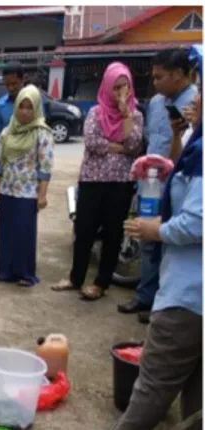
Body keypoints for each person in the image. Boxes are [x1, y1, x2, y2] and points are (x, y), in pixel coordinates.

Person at [114, 89, 202, 430]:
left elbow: (197, 220)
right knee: (196, 405)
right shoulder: (197, 143)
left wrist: (157, 230)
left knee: (149, 396)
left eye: (203, 92)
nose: (195, 101)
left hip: (189, 296)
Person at [118, 48, 199, 322]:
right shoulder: (155, 103)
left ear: (178, 74)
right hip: (151, 184)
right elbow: (150, 141)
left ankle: (164, 304)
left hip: (183, 190)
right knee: (149, 241)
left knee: (172, 243)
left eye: (159, 77)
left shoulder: (195, 106)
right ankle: (146, 296)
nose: (155, 82)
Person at [51, 62, 144, 300]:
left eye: (125, 88)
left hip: (121, 183)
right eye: (116, 88)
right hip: (92, 180)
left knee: (113, 232)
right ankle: (75, 278)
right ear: (107, 87)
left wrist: (125, 115)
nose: (121, 93)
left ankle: (101, 283)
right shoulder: (95, 113)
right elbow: (92, 142)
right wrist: (118, 148)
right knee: (84, 229)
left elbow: (133, 146)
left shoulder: (135, 116)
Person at [0, 85, 54, 286]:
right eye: (21, 107)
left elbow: (45, 167)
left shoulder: (43, 133)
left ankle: (26, 274)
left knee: (24, 233)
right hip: (7, 190)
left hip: (28, 193)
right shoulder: (8, 132)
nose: (24, 112)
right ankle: (6, 271)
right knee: (6, 232)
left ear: (36, 109)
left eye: (29, 107)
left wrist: (42, 195)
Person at [0, 62, 25, 136]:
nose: (10, 88)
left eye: (14, 83)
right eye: (7, 84)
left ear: (23, 79)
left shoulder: (34, 103)